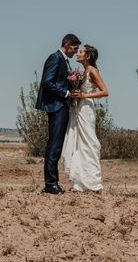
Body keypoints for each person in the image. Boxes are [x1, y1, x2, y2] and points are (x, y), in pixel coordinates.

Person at [36, 33, 81, 195]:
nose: (76, 52)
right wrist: (67, 93)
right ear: (67, 45)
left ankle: (52, 182)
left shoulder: (64, 61)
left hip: (61, 106)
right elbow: (46, 82)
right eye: (75, 49)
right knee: (54, 145)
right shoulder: (55, 58)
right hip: (56, 106)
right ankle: (50, 184)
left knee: (57, 145)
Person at [62, 44, 109, 193]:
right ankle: (80, 183)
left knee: (88, 143)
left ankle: (94, 183)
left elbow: (105, 92)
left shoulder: (93, 71)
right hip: (77, 109)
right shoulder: (82, 72)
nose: (77, 53)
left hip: (87, 109)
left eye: (81, 52)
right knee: (78, 144)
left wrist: (84, 95)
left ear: (88, 56)